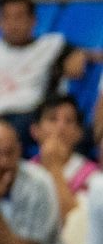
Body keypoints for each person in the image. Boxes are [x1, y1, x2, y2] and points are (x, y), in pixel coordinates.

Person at [0, 0, 88, 151]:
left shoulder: (51, 45)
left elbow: (85, 57)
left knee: (3, 140)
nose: (12, 24)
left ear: (33, 20)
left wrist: (80, 55)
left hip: (29, 114)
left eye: (18, 17)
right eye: (6, 18)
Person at [28, 95, 103, 227]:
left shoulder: (93, 176)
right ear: (35, 130)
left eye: (69, 121)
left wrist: (54, 166)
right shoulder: (25, 170)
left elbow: (76, 225)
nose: (61, 127)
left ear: (79, 133)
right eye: (52, 119)